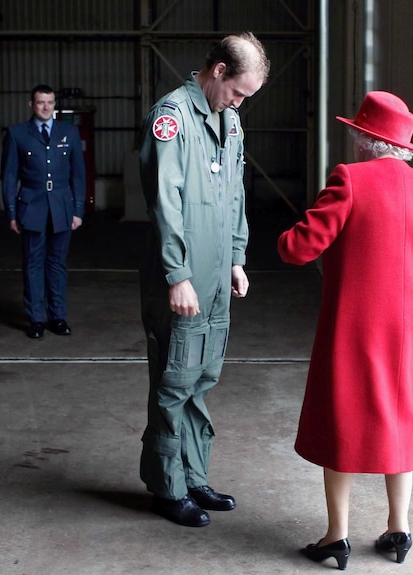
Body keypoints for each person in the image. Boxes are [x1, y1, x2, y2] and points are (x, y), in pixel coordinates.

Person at [278, 91, 413, 569]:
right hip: (409, 334)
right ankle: (399, 530)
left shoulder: (349, 179)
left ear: (365, 139)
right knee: (401, 426)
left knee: (345, 425)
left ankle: (336, 537)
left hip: (353, 330)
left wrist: (280, 238)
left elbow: (302, 247)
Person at [137, 32, 269, 528]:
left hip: (216, 275)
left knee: (201, 379)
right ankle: (168, 488)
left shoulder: (229, 120)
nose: (239, 103)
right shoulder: (170, 117)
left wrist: (237, 257)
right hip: (183, 277)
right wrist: (177, 274)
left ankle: (193, 476)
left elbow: (235, 192)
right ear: (217, 71)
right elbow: (165, 202)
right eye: (237, 91)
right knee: (174, 381)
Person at [2, 84, 85, 339]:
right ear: (31, 105)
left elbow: (78, 176)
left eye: (50, 102)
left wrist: (78, 210)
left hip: (61, 207)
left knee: (57, 264)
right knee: (33, 264)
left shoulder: (68, 132)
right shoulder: (17, 134)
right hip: (32, 208)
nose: (46, 107)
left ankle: (57, 316)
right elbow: (9, 177)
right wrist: (12, 212)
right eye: (41, 102)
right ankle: (36, 319)